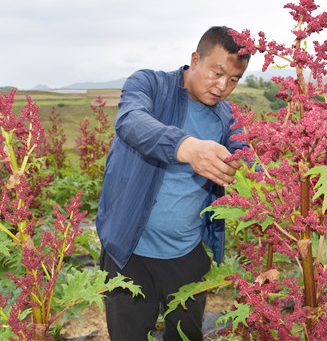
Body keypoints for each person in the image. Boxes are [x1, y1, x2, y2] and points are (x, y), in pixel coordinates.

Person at [97, 26, 250, 341]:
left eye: (234, 79)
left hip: (186, 254)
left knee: (185, 336)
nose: (223, 86)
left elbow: (250, 159)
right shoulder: (150, 85)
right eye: (217, 73)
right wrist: (188, 147)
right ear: (195, 60)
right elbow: (131, 121)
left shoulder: (226, 117)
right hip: (129, 251)